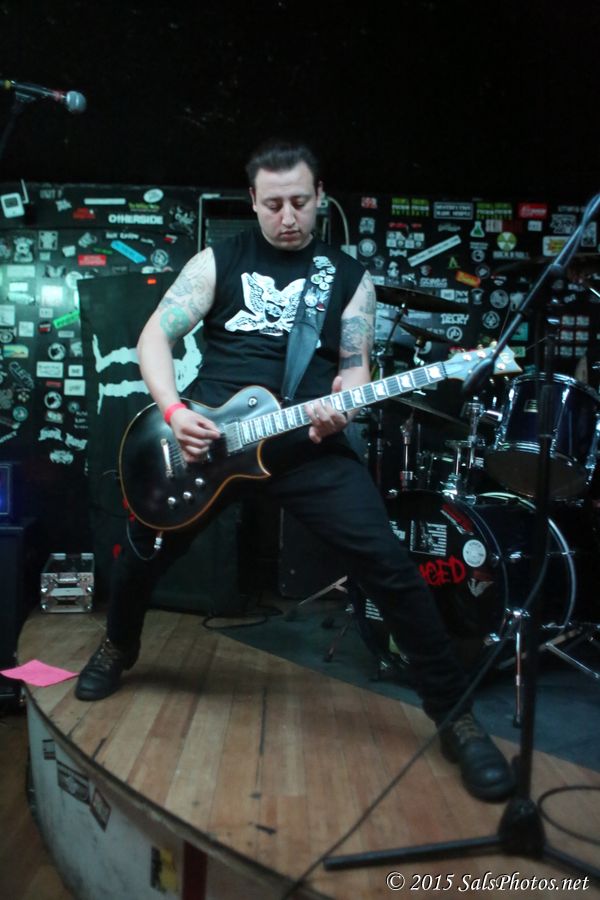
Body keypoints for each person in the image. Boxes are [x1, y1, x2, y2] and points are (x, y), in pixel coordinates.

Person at [76, 139, 515, 803]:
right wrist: (174, 410)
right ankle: (119, 645)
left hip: (306, 444)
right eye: (274, 203)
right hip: (211, 442)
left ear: (320, 197)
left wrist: (344, 406)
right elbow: (153, 337)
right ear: (253, 200)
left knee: (390, 568)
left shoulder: (348, 278)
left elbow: (355, 369)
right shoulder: (217, 261)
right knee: (143, 549)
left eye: (301, 202)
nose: (288, 217)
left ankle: (456, 717)